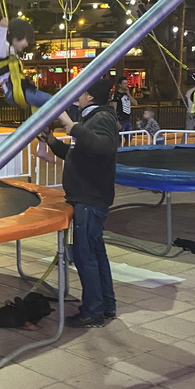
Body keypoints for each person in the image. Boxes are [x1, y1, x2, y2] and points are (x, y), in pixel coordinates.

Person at [42, 77, 118, 328]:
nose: (78, 95)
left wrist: (71, 125)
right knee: (95, 254)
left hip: (90, 199)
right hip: (87, 197)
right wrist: (53, 142)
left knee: (87, 256)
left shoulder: (101, 118)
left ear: (91, 96)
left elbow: (103, 147)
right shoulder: (91, 119)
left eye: (82, 91)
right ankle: (105, 306)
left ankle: (93, 311)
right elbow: (78, 154)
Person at [0, 17, 70, 127]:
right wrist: (3, 28)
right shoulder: (2, 53)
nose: (26, 44)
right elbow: (1, 41)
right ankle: (70, 125)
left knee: (43, 109)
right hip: (16, 92)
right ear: (16, 37)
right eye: (26, 40)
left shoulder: (12, 54)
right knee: (52, 101)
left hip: (21, 91)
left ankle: (44, 134)